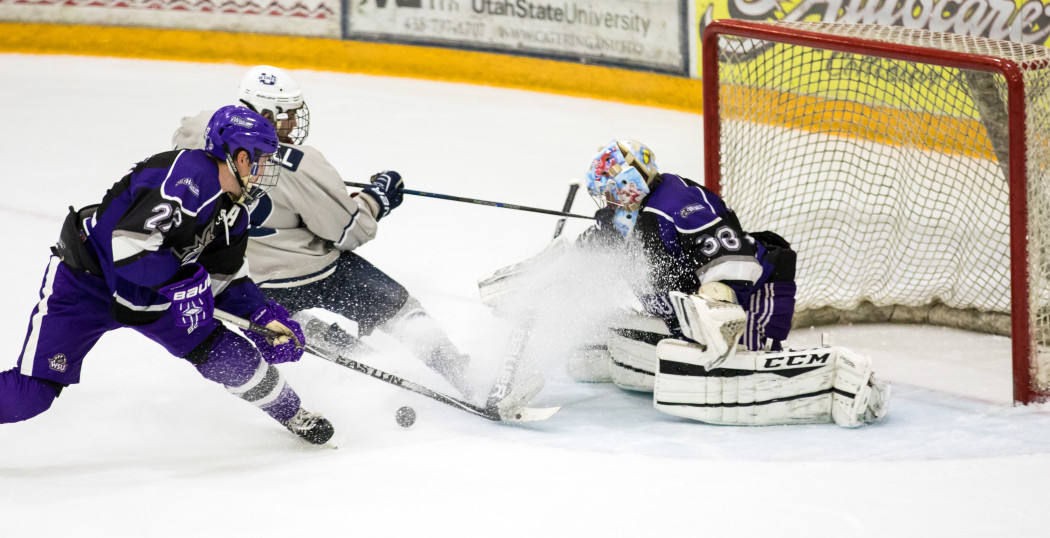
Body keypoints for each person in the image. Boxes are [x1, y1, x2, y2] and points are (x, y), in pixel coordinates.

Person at [483, 140, 889, 427]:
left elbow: (735, 262)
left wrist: (717, 309)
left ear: (628, 184)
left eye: (608, 193)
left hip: (757, 301)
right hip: (687, 323)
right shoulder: (624, 221)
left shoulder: (680, 203)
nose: (605, 202)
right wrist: (540, 281)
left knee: (714, 317)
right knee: (603, 335)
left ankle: (831, 377)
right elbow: (583, 264)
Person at [0, 105, 334, 444]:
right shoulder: (186, 178)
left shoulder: (235, 210)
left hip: (156, 293)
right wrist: (181, 284)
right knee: (30, 396)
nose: (266, 169)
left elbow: (225, 278)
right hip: (87, 284)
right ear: (242, 157)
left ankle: (292, 412)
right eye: (263, 159)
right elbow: (129, 248)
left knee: (231, 357)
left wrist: (260, 315)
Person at [172, 66, 476, 399]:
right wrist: (378, 199)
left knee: (304, 330)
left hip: (248, 284)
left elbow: (183, 142)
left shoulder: (200, 129)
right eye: (286, 115)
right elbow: (349, 231)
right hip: (314, 272)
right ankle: (462, 376)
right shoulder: (299, 163)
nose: (291, 123)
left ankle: (370, 373)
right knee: (398, 308)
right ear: (267, 114)